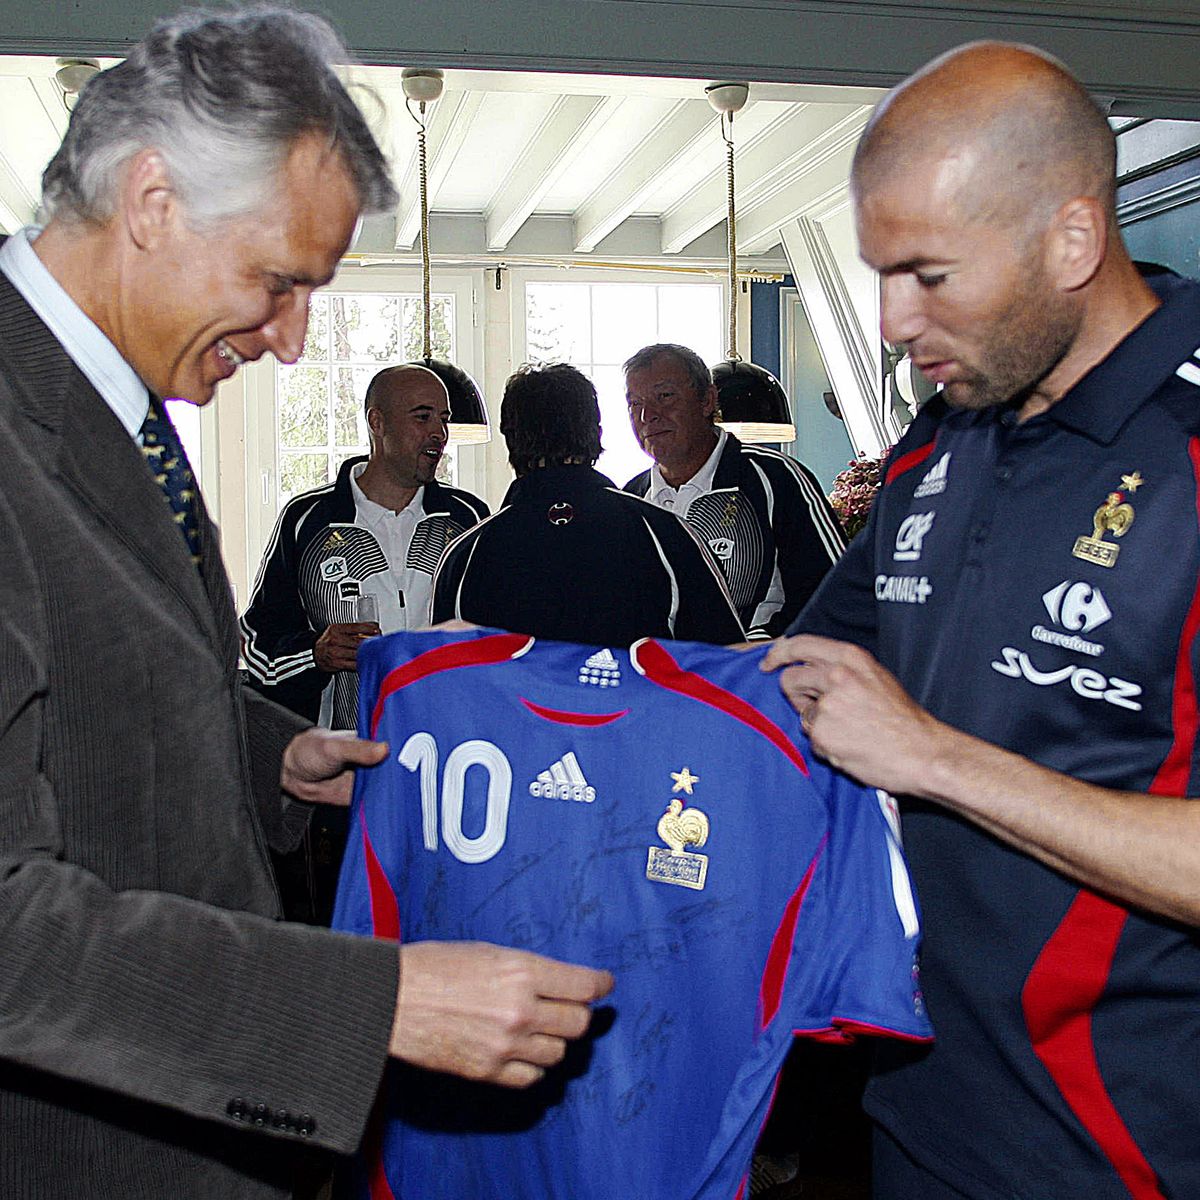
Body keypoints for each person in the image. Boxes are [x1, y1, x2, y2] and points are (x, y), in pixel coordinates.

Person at [0, 8, 610, 1198]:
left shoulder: (107, 410)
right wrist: (374, 1002)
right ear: (152, 200)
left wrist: (268, 753)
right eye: (280, 282)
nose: (292, 343)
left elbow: (89, 670)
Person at [764, 41, 1200, 1200]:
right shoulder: (943, 437)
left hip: (1127, 1151)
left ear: (1071, 238)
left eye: (929, 274)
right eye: (878, 273)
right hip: (917, 1115)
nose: (895, 319)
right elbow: (794, 675)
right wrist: (492, 708)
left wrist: (935, 760)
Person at [241, 363, 489, 730]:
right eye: (422, 417)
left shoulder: (469, 518)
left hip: (449, 749)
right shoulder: (307, 520)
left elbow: (504, 635)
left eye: (444, 419)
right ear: (377, 423)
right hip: (345, 757)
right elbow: (257, 644)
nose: (439, 433)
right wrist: (315, 654)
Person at [431, 362, 745, 646]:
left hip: (513, 711)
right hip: (638, 709)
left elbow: (440, 685)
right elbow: (727, 662)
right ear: (595, 431)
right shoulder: (664, 533)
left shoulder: (465, 554)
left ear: (510, 439)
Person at [623, 343, 845, 639]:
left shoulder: (776, 479)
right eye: (634, 403)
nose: (647, 415)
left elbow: (837, 590)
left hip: (757, 674)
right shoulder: (631, 499)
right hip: (658, 680)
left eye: (665, 396)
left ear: (707, 400)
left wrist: (765, 652)